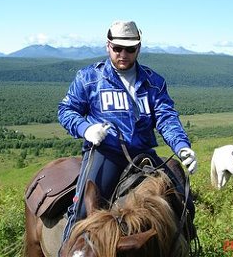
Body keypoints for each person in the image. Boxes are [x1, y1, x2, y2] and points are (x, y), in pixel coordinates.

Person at [57, 20, 197, 250]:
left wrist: (181, 146)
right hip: (106, 153)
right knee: (83, 209)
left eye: (130, 49)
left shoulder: (154, 82)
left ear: (138, 49)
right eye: (117, 48)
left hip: (143, 154)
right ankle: (68, 247)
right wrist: (86, 129)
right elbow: (66, 110)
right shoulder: (89, 78)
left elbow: (166, 117)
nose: (123, 54)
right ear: (107, 46)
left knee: (183, 201)